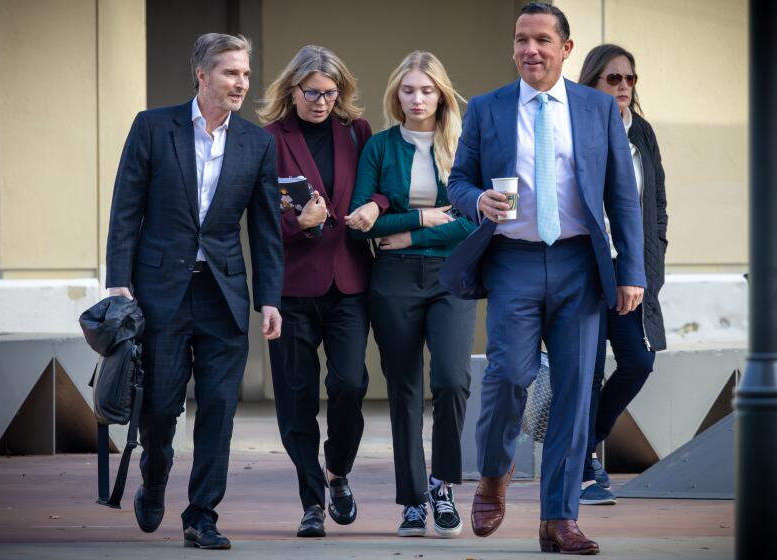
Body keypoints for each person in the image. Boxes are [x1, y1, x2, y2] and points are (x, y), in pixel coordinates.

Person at [443, 3, 645, 555]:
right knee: (508, 374)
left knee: (577, 394)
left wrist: (632, 272)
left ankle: (559, 518)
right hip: (514, 261)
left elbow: (622, 198)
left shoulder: (597, 108)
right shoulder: (487, 109)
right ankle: (492, 472)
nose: (529, 49)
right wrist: (476, 199)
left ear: (565, 49)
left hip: (582, 263)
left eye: (541, 40)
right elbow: (457, 181)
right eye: (520, 40)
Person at [106, 33, 282, 550]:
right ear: (202, 76)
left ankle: (202, 513)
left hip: (223, 294)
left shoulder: (257, 142)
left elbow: (266, 230)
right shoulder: (153, 127)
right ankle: (154, 477)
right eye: (231, 73)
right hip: (159, 292)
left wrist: (268, 298)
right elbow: (125, 209)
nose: (241, 84)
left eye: (246, 74)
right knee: (160, 407)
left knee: (220, 409)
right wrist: (119, 283)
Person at [258, 45, 390, 538]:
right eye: (312, 92)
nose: (321, 102)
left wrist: (375, 206)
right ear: (292, 90)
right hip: (290, 287)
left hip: (349, 280)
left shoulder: (356, 132)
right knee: (295, 398)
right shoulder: (267, 139)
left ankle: (337, 471)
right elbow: (256, 217)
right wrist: (297, 223)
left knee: (351, 384)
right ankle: (311, 500)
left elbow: (381, 186)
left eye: (331, 94)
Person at [349, 51, 476, 538]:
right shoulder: (380, 147)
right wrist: (423, 219)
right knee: (403, 393)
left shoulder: (464, 145)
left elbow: (475, 221)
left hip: (452, 278)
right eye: (408, 90)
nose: (417, 99)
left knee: (451, 380)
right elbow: (362, 223)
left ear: (441, 93)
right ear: (395, 95)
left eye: (426, 90)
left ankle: (443, 486)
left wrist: (405, 233)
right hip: (394, 281)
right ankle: (412, 502)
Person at [576, 44, 668, 506]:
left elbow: (658, 206)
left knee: (638, 361)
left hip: (630, 270)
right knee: (587, 370)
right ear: (591, 82)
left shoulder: (642, 133)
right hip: (585, 267)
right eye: (613, 79)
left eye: (630, 79)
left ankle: (587, 440)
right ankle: (584, 469)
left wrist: (653, 265)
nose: (624, 88)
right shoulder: (575, 128)